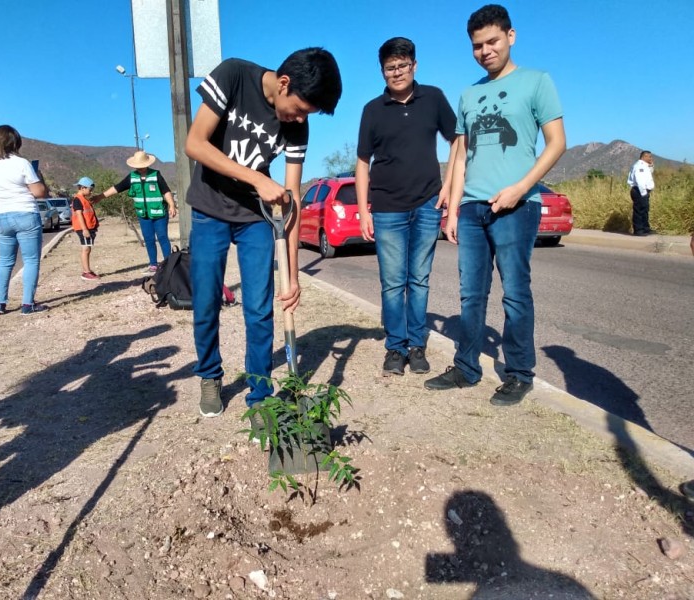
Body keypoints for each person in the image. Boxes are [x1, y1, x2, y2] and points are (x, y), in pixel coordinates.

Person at [184, 48, 342, 422]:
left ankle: (259, 394)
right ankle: (210, 376)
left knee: (259, 310)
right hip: (208, 210)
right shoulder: (234, 75)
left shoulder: (297, 125)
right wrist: (256, 177)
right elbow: (195, 143)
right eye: (301, 109)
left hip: (255, 218)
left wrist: (294, 272)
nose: (301, 118)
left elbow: (292, 198)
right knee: (206, 302)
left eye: (308, 115)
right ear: (284, 83)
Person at [424, 4, 566, 406]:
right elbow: (460, 153)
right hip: (471, 208)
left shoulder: (537, 82)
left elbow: (557, 143)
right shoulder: (469, 94)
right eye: (476, 46)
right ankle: (466, 367)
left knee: (516, 293)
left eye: (492, 42)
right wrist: (451, 208)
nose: (485, 50)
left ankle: (519, 373)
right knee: (471, 293)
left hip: (516, 206)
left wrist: (520, 189)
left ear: (510, 37)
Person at [355, 36, 458, 377]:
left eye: (402, 65)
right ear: (382, 71)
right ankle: (395, 347)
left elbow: (458, 139)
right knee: (392, 282)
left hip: (428, 204)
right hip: (387, 208)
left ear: (414, 66)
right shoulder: (372, 110)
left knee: (420, 279)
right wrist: (364, 211)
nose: (396, 72)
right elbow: (361, 163)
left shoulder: (434, 98)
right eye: (390, 67)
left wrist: (448, 186)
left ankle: (417, 346)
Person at [0, 124, 48, 315]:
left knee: (4, 261)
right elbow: (39, 192)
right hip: (25, 213)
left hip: (1, 215)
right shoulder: (21, 163)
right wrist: (38, 182)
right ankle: (28, 304)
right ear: (15, 142)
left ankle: (0, 303)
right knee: (31, 260)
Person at [93, 150, 177, 275]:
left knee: (163, 237)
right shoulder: (132, 177)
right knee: (148, 239)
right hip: (143, 215)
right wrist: (101, 196)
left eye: (142, 165)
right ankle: (153, 265)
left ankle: (169, 264)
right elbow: (117, 188)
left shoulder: (156, 175)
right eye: (138, 166)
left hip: (160, 213)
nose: (141, 168)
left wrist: (171, 205)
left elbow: (166, 191)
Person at [71, 177, 102, 281]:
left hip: (89, 228)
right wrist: (85, 229)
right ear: (83, 188)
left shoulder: (84, 199)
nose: (91, 192)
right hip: (84, 229)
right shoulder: (78, 199)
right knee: (86, 249)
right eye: (90, 189)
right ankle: (86, 272)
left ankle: (87, 270)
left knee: (88, 248)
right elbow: (79, 215)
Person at [627, 150, 655, 236]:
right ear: (644, 157)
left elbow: (649, 173)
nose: (651, 158)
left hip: (642, 191)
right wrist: (644, 193)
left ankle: (645, 229)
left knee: (645, 210)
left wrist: (651, 165)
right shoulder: (639, 166)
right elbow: (640, 181)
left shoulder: (644, 166)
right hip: (639, 191)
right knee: (639, 211)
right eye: (649, 157)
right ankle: (638, 230)